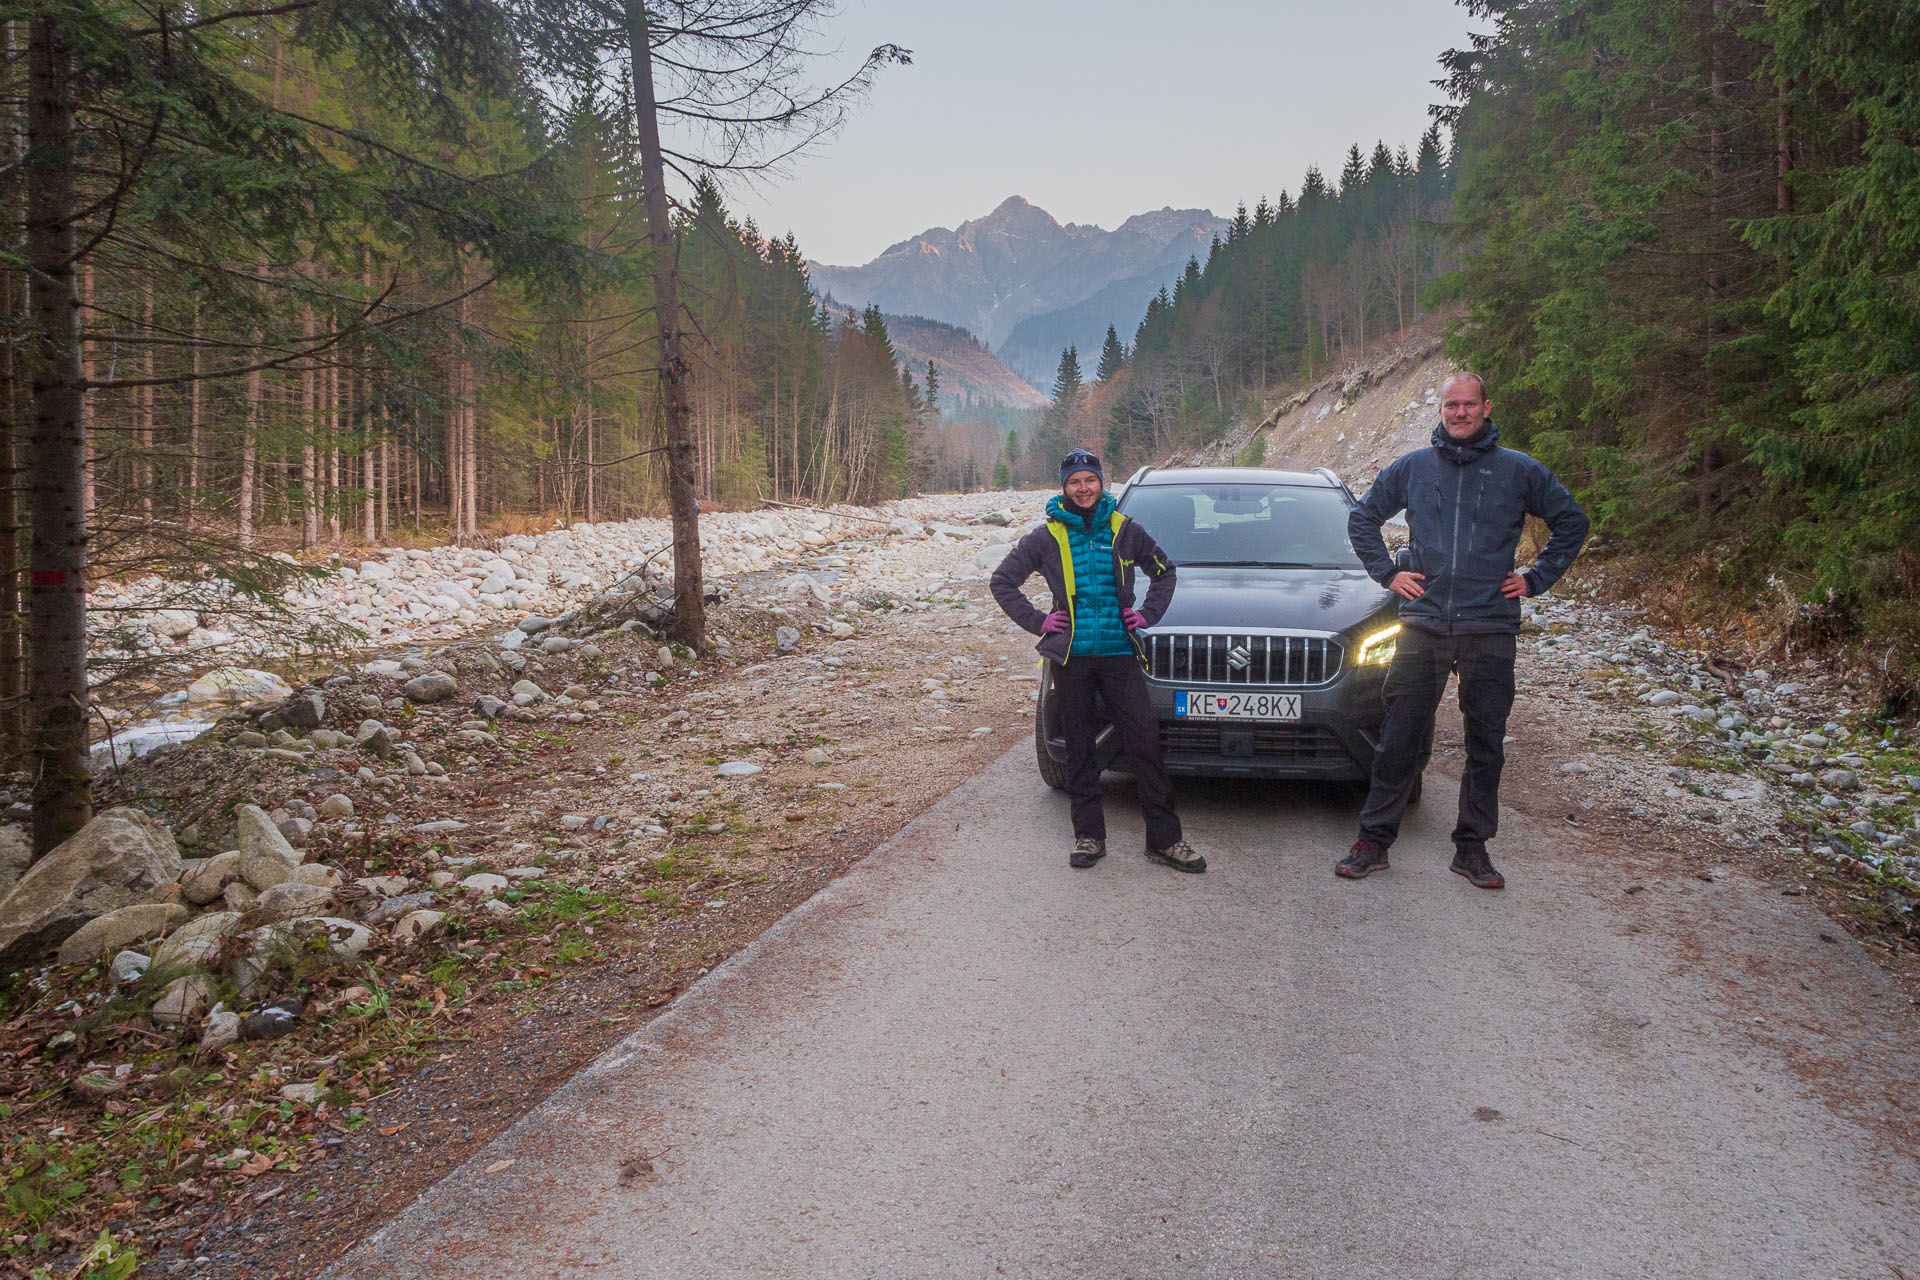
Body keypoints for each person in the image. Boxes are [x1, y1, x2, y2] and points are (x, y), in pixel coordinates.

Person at [1337, 372, 1590, 889]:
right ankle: (1374, 841)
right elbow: (1363, 518)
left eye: (1468, 405)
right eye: (1451, 405)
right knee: (1398, 736)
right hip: (1424, 624)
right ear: (1441, 410)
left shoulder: (1518, 470)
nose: (1459, 413)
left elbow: (1572, 521)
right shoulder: (1412, 468)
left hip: (1489, 625)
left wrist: (1535, 579)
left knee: (1486, 742)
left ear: (1485, 407)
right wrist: (1388, 573)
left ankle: (1472, 848)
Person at [990, 448, 1205, 874]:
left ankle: (1165, 841)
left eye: (1090, 480)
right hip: (1071, 659)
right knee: (1080, 750)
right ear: (1064, 487)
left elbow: (1165, 571)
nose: (1083, 489)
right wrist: (1038, 621)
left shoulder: (1125, 529)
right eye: (1074, 482)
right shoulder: (1046, 536)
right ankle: (1089, 837)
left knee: (1145, 744)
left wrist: (1146, 614)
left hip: (1119, 654)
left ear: (1101, 483)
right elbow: (1002, 581)